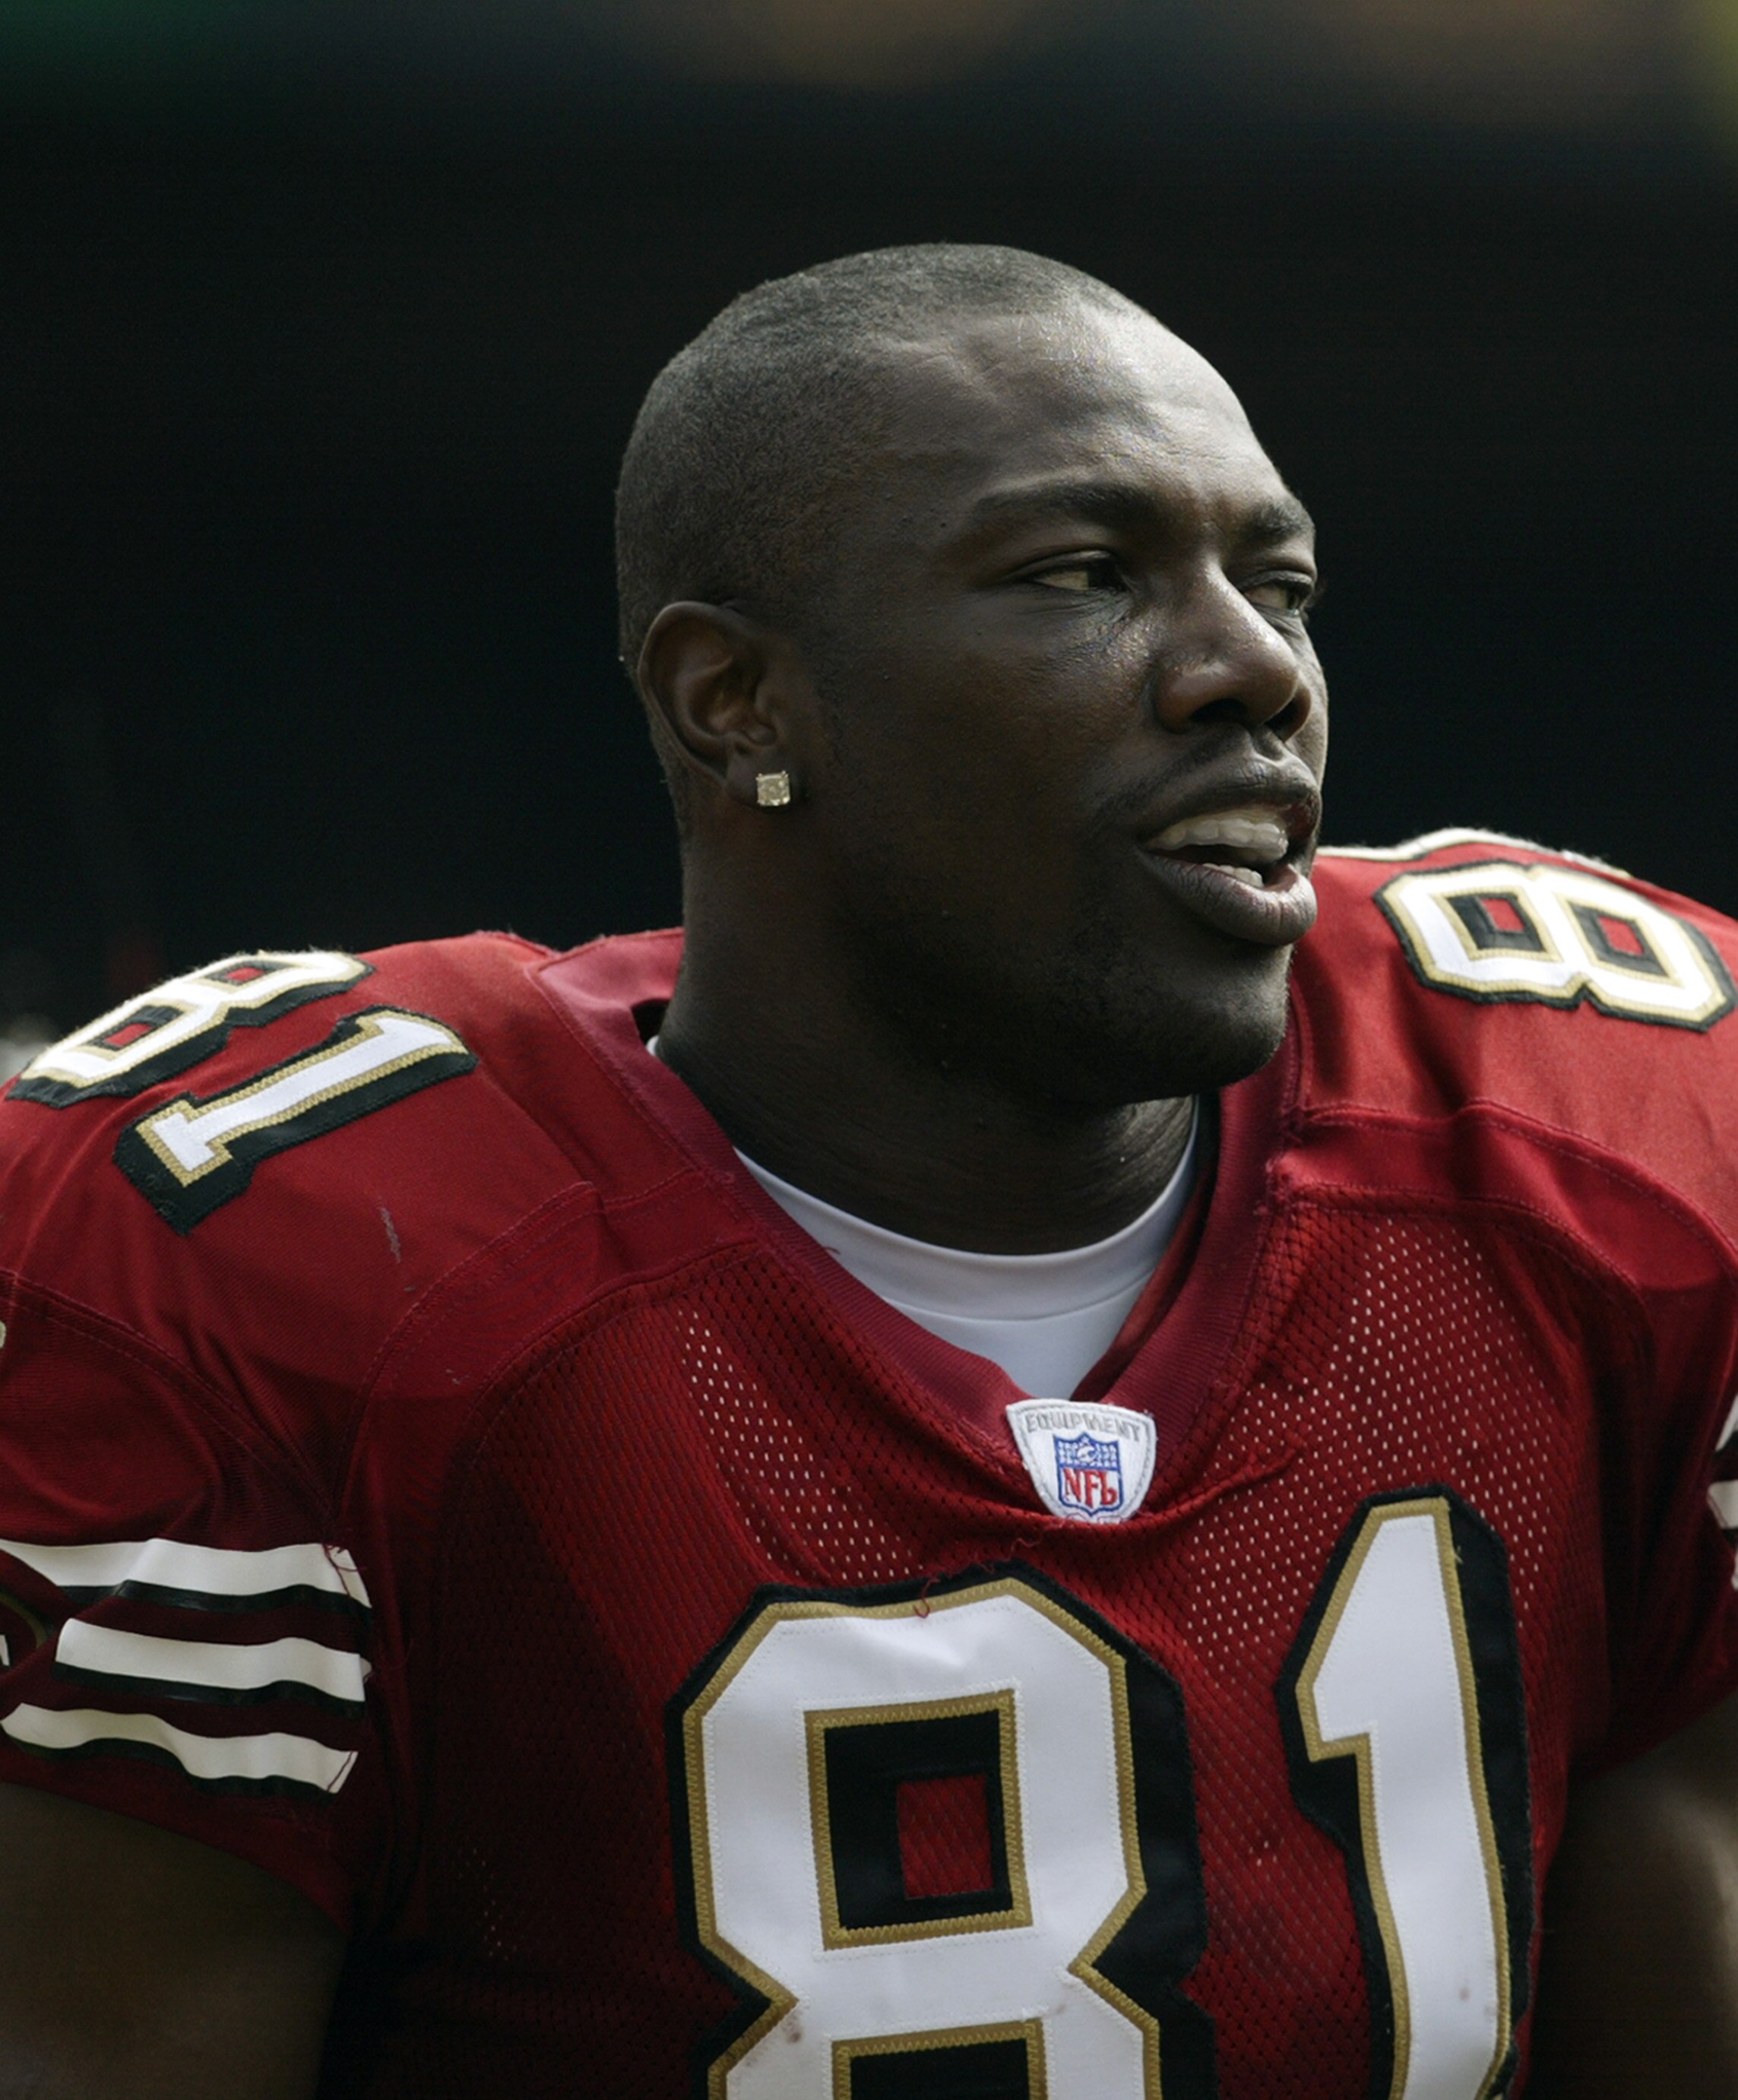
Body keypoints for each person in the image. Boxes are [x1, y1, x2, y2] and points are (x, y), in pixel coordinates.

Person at [0, 243, 1733, 2100]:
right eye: (1084, 575)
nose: (1253, 668)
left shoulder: (1595, 1154)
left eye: (1281, 582)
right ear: (734, 699)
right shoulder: (283, 1264)